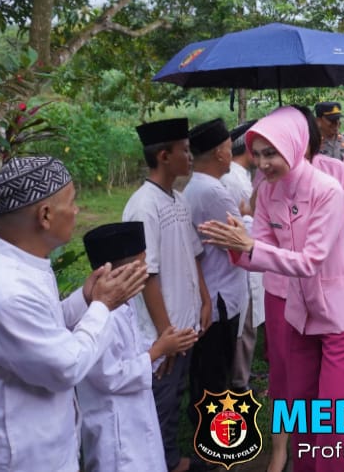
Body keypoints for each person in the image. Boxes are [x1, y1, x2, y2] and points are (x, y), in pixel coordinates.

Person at [0, 156, 147, 471]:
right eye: (73, 202)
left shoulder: (23, 263)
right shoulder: (6, 292)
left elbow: (44, 328)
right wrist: (103, 305)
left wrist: (86, 298)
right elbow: (66, 365)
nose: (77, 210)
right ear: (46, 215)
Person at [198, 106, 344, 472]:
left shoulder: (328, 191)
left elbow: (309, 261)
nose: (262, 163)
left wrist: (250, 246)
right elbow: (256, 252)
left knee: (334, 412)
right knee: (300, 407)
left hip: (342, 313)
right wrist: (233, 242)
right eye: (257, 154)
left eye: (270, 153)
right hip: (299, 313)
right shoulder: (268, 191)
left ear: (294, 146)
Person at [123, 118, 212, 472]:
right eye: (185, 151)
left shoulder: (176, 199)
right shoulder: (144, 206)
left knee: (175, 395)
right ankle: (161, 462)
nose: (190, 157)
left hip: (184, 321)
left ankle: (170, 459)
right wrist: (165, 335)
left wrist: (204, 299)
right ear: (163, 156)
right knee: (159, 399)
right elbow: (147, 275)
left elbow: (192, 255)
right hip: (164, 330)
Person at [78, 222, 198, 472]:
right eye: (141, 262)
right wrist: (157, 351)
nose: (146, 269)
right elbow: (110, 376)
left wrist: (164, 345)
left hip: (136, 414)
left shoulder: (125, 304)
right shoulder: (100, 316)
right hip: (115, 426)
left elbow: (133, 347)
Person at [183, 118, 249, 430]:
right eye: (226, 147)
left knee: (206, 369)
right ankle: (215, 439)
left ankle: (202, 422)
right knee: (215, 372)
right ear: (220, 154)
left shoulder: (196, 186)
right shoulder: (214, 193)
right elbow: (244, 239)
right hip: (221, 295)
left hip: (209, 289)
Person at [221, 120, 266, 392]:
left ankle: (243, 376)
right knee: (244, 326)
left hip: (248, 259)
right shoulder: (234, 180)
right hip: (242, 263)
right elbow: (247, 219)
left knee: (248, 325)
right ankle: (239, 382)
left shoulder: (239, 176)